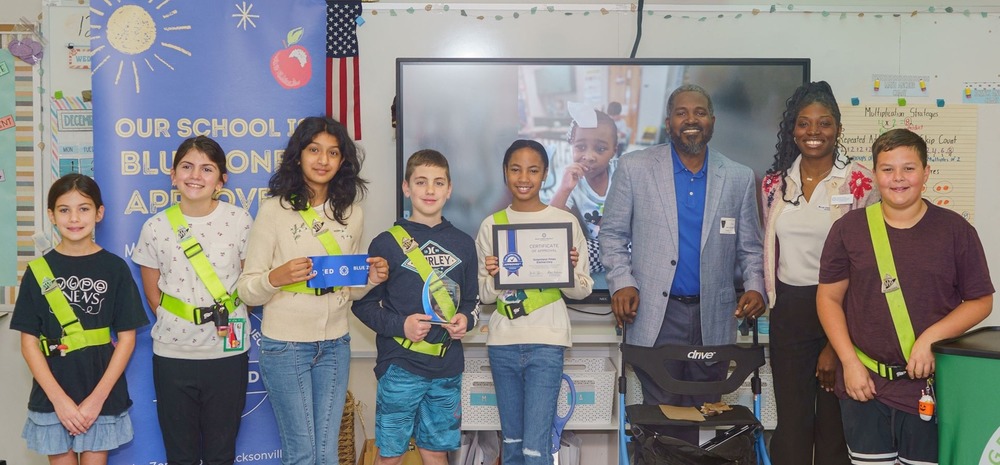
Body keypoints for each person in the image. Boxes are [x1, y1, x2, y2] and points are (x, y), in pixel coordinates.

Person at [598, 84, 765, 445]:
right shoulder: (635, 168)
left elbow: (751, 247)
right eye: (682, 113)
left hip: (715, 318)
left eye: (700, 112)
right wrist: (622, 280)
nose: (691, 120)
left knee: (707, 414)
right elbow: (611, 234)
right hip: (658, 316)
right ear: (669, 121)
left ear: (713, 121)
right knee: (661, 417)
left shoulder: (737, 177)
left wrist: (755, 286)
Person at [817, 128, 993, 465]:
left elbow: (981, 300)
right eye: (887, 169)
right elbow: (828, 300)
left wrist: (930, 338)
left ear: (926, 173)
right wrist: (849, 363)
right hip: (864, 383)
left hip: (931, 388)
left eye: (909, 168)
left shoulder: (956, 231)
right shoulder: (848, 229)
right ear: (874, 175)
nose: (898, 178)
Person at [236, 116, 389, 465]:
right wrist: (276, 277)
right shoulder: (274, 209)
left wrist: (371, 279)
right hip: (286, 346)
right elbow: (247, 291)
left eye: (333, 153)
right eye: (314, 150)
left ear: (343, 161)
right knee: (302, 454)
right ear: (298, 155)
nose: (323, 160)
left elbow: (348, 289)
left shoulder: (352, 213)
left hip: (336, 344)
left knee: (327, 452)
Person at [760, 81, 878, 465]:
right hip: (789, 312)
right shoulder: (774, 184)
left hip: (842, 309)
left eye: (824, 123)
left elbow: (868, 260)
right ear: (793, 130)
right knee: (792, 422)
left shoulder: (861, 182)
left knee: (834, 421)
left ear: (838, 129)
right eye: (804, 124)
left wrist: (834, 343)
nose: (814, 133)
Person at [10, 173, 149, 465]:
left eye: (84, 208)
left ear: (99, 213)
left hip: (102, 395)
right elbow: (29, 343)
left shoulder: (115, 268)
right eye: (64, 209)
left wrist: (96, 399)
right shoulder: (38, 272)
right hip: (52, 396)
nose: (74, 218)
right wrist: (60, 401)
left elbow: (126, 339)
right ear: (52, 215)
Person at [352, 150, 480, 465]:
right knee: (391, 452)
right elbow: (362, 305)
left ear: (449, 189)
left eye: (438, 183)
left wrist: (466, 319)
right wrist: (401, 325)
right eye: (421, 182)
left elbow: (472, 302)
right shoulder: (385, 243)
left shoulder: (464, 243)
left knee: (436, 452)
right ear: (406, 188)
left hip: (447, 368)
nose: (430, 190)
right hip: (400, 366)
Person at [132, 136, 253, 465]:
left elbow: (249, 284)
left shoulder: (240, 221)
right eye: (186, 166)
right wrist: (181, 323)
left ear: (221, 180)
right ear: (173, 175)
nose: (195, 175)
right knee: (180, 453)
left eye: (207, 168)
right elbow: (152, 293)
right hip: (173, 355)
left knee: (220, 452)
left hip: (227, 355)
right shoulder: (155, 227)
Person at [477, 140, 593, 465]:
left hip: (547, 343)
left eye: (533, 169)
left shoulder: (564, 223)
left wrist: (566, 270)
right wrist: (492, 275)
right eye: (515, 169)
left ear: (544, 175)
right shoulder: (491, 226)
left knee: (536, 448)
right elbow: (484, 296)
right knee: (512, 444)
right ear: (505, 173)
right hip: (502, 344)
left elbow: (582, 289)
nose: (523, 177)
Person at [550, 104, 618, 274]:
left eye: (600, 149)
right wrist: (564, 189)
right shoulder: (572, 180)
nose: (589, 156)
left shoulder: (621, 172)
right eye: (580, 147)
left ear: (613, 151)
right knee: (563, 250)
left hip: (622, 246)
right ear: (571, 146)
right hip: (592, 249)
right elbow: (549, 222)